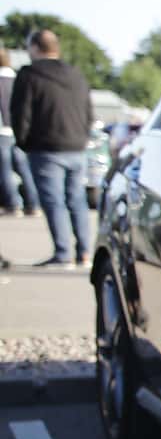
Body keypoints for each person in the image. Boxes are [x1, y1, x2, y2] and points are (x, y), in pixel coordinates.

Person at [9, 29, 94, 268]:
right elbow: (88, 111)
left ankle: (63, 253)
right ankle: (85, 253)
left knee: (54, 201)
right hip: (77, 146)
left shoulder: (29, 74)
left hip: (46, 148)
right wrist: (83, 137)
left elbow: (21, 113)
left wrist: (23, 142)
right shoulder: (75, 74)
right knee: (77, 200)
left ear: (35, 47)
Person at [0, 57, 41, 220]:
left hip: (2, 131)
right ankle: (33, 203)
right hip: (18, 131)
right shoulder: (17, 78)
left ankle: (14, 204)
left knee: (5, 170)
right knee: (24, 169)